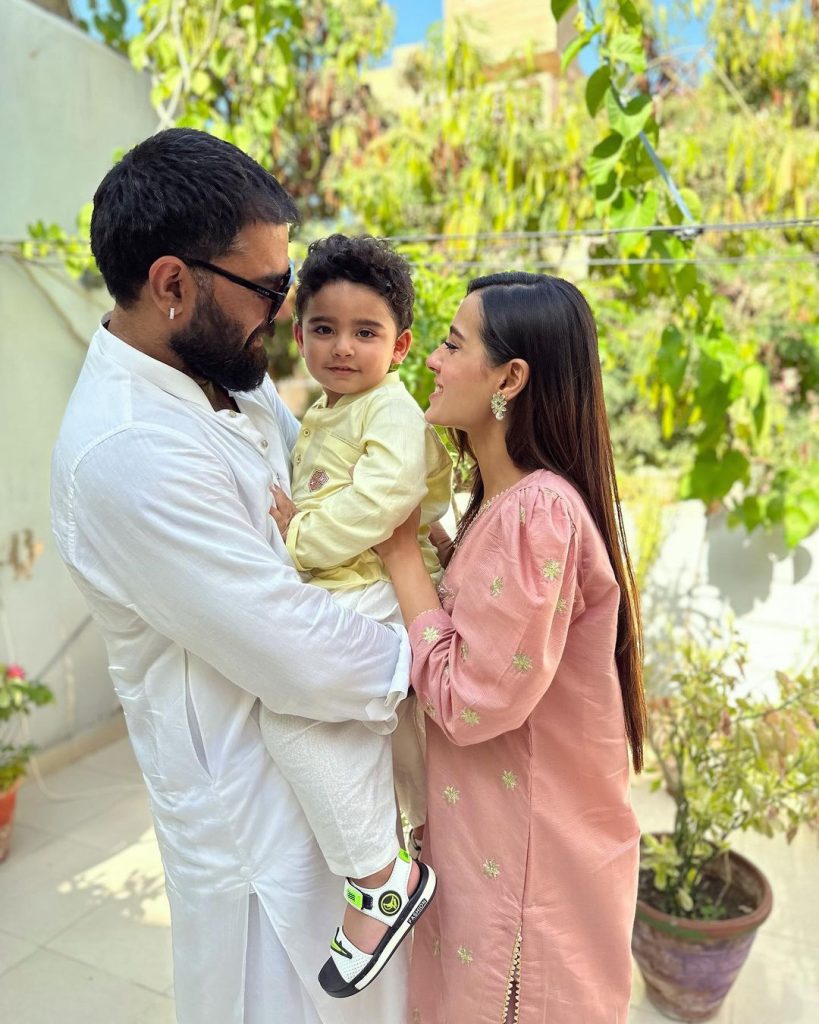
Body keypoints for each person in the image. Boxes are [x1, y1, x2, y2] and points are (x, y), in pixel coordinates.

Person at [49, 128, 411, 1024]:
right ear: (173, 284)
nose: (289, 314)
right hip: (254, 828)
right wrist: (439, 655)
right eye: (270, 288)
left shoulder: (229, 376)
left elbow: (319, 507)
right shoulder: (128, 452)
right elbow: (297, 650)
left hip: (329, 778)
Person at [375, 272, 647, 1024]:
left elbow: (470, 700)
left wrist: (401, 559)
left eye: (452, 343)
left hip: (526, 890)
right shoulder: (507, 506)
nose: (429, 358)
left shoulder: (536, 514)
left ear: (510, 378)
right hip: (495, 860)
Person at [260, 234, 450, 998]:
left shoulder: (390, 408)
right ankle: (386, 863)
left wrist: (296, 536)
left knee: (294, 718)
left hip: (373, 581)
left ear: (400, 345)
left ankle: (380, 880)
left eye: (365, 332)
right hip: (347, 579)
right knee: (354, 736)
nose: (342, 347)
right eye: (324, 328)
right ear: (297, 331)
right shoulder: (331, 407)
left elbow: (382, 501)